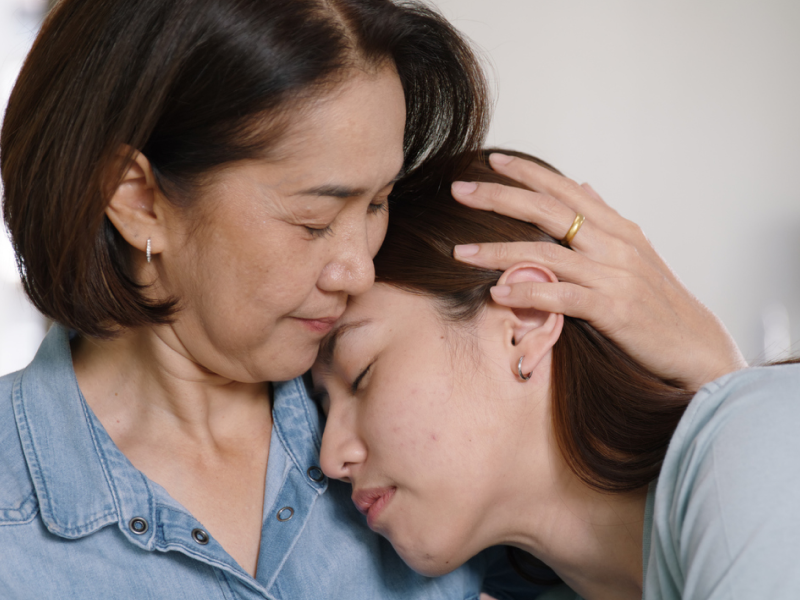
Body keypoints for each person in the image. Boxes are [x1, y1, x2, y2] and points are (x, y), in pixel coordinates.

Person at [0, 0, 744, 597]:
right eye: (315, 220)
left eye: (378, 202)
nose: (359, 269)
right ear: (136, 199)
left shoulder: (427, 435)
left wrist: (722, 391)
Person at [313, 150, 799, 600]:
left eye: (362, 375)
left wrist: (728, 395)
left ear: (526, 321)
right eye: (323, 407)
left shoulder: (756, 441)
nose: (331, 459)